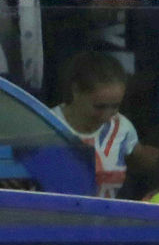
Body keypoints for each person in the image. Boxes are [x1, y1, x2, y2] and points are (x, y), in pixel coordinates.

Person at [54, 52, 139, 198]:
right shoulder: (46, 124)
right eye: (99, 107)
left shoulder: (123, 129)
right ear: (75, 91)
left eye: (115, 106)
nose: (107, 117)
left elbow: (142, 161)